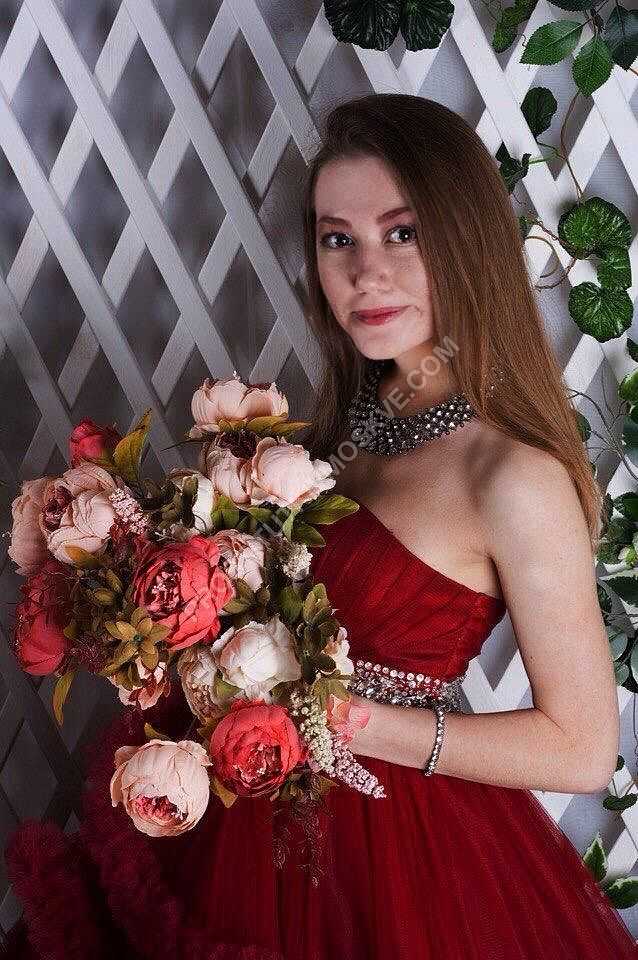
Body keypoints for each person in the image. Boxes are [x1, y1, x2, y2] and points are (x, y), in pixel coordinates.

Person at [2, 93, 636, 959]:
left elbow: (582, 748)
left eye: (402, 233)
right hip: (242, 819)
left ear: (468, 241)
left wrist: (343, 721)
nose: (366, 272)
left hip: (394, 858)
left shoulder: (513, 476)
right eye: (338, 239)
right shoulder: (347, 431)